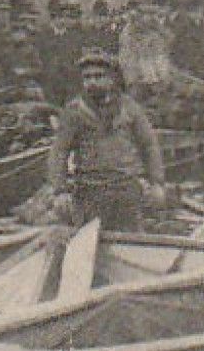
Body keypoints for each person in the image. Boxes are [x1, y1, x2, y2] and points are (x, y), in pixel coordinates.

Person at [47, 50, 165, 231]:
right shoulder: (75, 112)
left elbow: (149, 145)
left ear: (111, 79)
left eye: (99, 76)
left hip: (125, 188)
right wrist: (59, 190)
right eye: (87, 78)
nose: (92, 82)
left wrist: (156, 183)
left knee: (130, 241)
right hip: (89, 190)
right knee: (88, 243)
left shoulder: (129, 108)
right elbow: (59, 151)